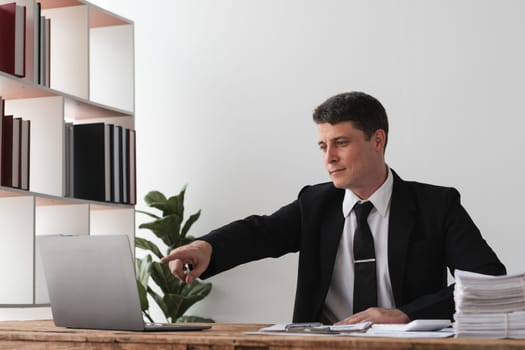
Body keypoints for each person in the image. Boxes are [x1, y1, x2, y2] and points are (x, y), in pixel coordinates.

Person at [161, 91, 506, 324]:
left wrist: (405, 314)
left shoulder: (436, 205)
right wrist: (204, 247)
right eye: (323, 145)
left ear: (378, 140)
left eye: (341, 143)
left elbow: (487, 280)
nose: (329, 158)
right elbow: (260, 232)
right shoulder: (316, 203)